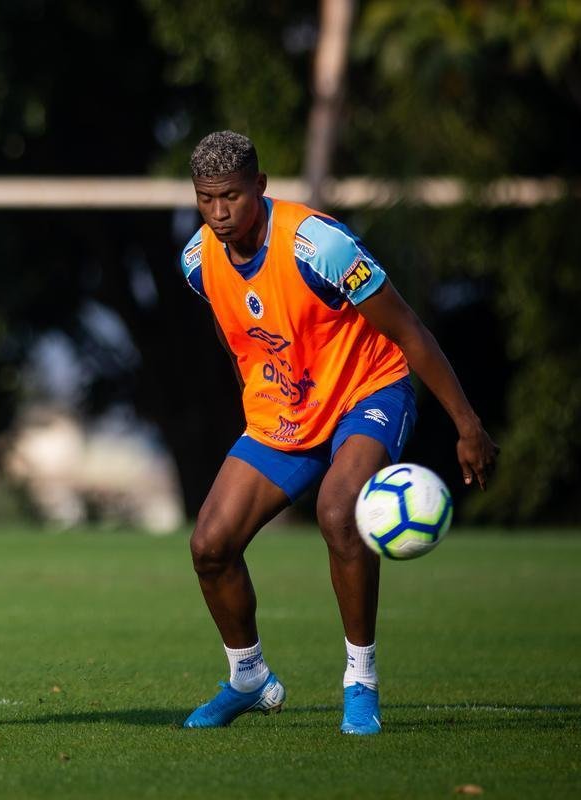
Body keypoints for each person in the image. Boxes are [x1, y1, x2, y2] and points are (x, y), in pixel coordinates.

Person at [177, 131, 497, 735]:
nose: (219, 213)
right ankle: (248, 678)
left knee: (339, 510)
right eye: (205, 199)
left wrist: (467, 424)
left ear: (261, 188)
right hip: (286, 408)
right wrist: (263, 399)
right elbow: (236, 334)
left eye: (232, 198)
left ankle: (361, 681)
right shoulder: (197, 261)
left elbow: (408, 331)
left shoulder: (318, 245)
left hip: (368, 391)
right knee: (209, 545)